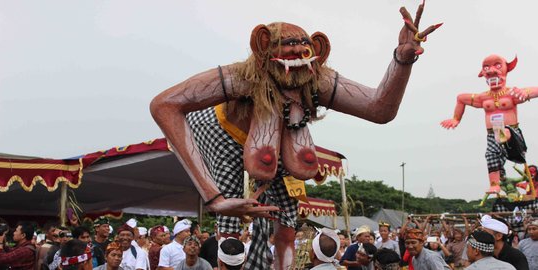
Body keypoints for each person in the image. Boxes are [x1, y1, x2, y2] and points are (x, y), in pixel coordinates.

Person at [150, 3, 440, 270]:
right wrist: (213, 196)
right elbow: (164, 105)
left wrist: (402, 61)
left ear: (317, 51)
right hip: (223, 131)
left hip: (281, 138)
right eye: (288, 56)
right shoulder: (241, 77)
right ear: (263, 48)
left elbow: (379, 109)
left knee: (286, 226)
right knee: (230, 223)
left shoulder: (317, 79)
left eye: (304, 55)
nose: (296, 64)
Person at [441, 54, 538, 194]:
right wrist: (456, 119)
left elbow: (533, 91)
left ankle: (503, 140)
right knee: (490, 155)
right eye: (486, 67)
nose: (491, 70)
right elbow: (461, 98)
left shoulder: (512, 94)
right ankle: (495, 184)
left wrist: (523, 92)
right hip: (492, 135)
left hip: (512, 134)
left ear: (506, 70)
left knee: (502, 132)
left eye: (497, 66)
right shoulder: (482, 98)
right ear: (483, 74)